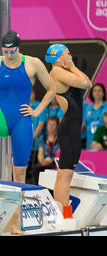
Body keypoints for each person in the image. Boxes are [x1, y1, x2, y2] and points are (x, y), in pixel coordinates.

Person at [0, 30, 55, 234]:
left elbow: (52, 89)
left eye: (12, 50)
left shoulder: (33, 63)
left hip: (22, 119)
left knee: (19, 175)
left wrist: (37, 110)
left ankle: (15, 223)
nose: (9, 54)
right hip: (1, 116)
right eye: (6, 51)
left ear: (19, 46)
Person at [45, 43, 92, 212]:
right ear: (58, 57)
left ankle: (64, 213)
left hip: (72, 129)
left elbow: (85, 80)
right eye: (68, 54)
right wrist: (72, 66)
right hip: (68, 130)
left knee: (67, 174)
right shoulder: (57, 72)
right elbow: (87, 83)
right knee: (64, 175)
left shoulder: (64, 71)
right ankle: (62, 215)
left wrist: (71, 67)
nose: (70, 57)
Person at [32, 116, 60, 185]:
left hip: (54, 162)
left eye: (53, 125)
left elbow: (59, 154)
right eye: (49, 124)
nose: (51, 127)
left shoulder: (60, 139)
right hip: (44, 161)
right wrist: (41, 161)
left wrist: (51, 160)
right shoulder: (43, 138)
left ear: (57, 126)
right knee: (36, 168)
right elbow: (40, 152)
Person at [83, 83, 107, 149]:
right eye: (95, 90)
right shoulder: (87, 108)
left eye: (99, 90)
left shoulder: (106, 107)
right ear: (92, 93)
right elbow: (84, 125)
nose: (97, 92)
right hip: (89, 142)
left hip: (103, 144)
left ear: (103, 93)